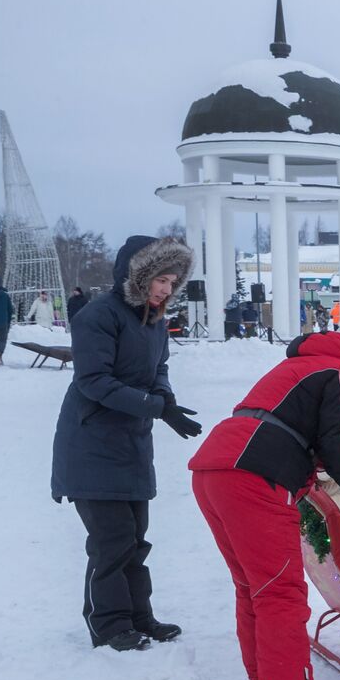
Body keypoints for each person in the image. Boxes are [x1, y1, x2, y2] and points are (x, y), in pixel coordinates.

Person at [188, 312, 340, 680]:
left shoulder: (301, 363)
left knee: (253, 584)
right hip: (255, 476)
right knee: (280, 591)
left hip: (215, 468)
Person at [50, 236, 202, 651]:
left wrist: (165, 399)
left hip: (131, 442)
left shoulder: (152, 320)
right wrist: (155, 407)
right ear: (139, 275)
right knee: (111, 539)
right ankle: (109, 623)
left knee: (136, 536)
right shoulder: (98, 316)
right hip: (91, 441)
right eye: (162, 280)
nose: (167, 290)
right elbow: (93, 380)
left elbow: (160, 368)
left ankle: (139, 616)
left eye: (173, 282)